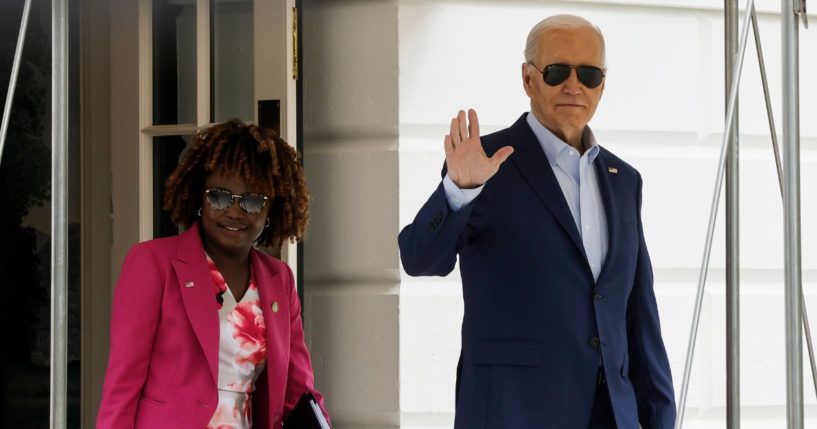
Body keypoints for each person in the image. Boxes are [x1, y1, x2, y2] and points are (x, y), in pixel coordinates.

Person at [398, 14, 675, 429]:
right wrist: (458, 189)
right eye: (557, 71)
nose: (573, 85)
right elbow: (420, 258)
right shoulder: (484, 164)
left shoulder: (624, 181)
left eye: (590, 74)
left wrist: (658, 418)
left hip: (614, 417)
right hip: (515, 413)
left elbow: (639, 319)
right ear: (528, 79)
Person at [97, 119, 329, 428]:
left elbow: (297, 391)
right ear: (200, 199)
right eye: (219, 197)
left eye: (251, 201)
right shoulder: (152, 263)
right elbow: (122, 385)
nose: (234, 212)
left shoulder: (279, 280)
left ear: (271, 210)